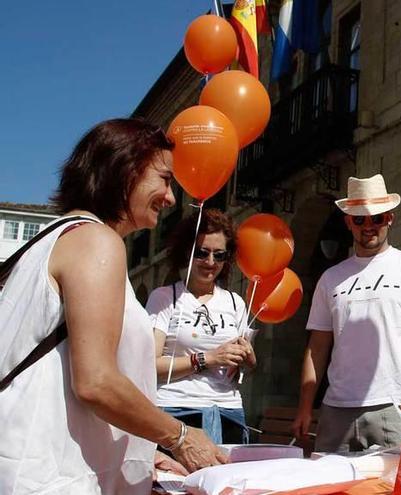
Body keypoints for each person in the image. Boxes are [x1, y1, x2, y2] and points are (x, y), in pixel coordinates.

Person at [0, 119, 226, 494]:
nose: (171, 197)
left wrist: (144, 445)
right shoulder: (96, 242)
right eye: (165, 179)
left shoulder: (57, 238)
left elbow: (64, 377)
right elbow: (96, 382)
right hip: (47, 477)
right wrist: (180, 436)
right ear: (125, 170)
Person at [292, 174, 401, 453]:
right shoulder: (330, 279)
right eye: (360, 219)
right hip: (337, 407)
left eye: (377, 218)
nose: (369, 226)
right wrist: (305, 406)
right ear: (348, 222)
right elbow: (317, 347)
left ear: (390, 218)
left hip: (400, 405)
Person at [147, 208, 257, 445]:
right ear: (186, 252)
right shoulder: (165, 297)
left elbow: (245, 370)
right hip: (176, 410)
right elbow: (149, 365)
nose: (210, 262)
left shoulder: (235, 302)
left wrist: (248, 360)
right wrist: (207, 358)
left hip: (228, 411)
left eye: (219, 255)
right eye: (202, 253)